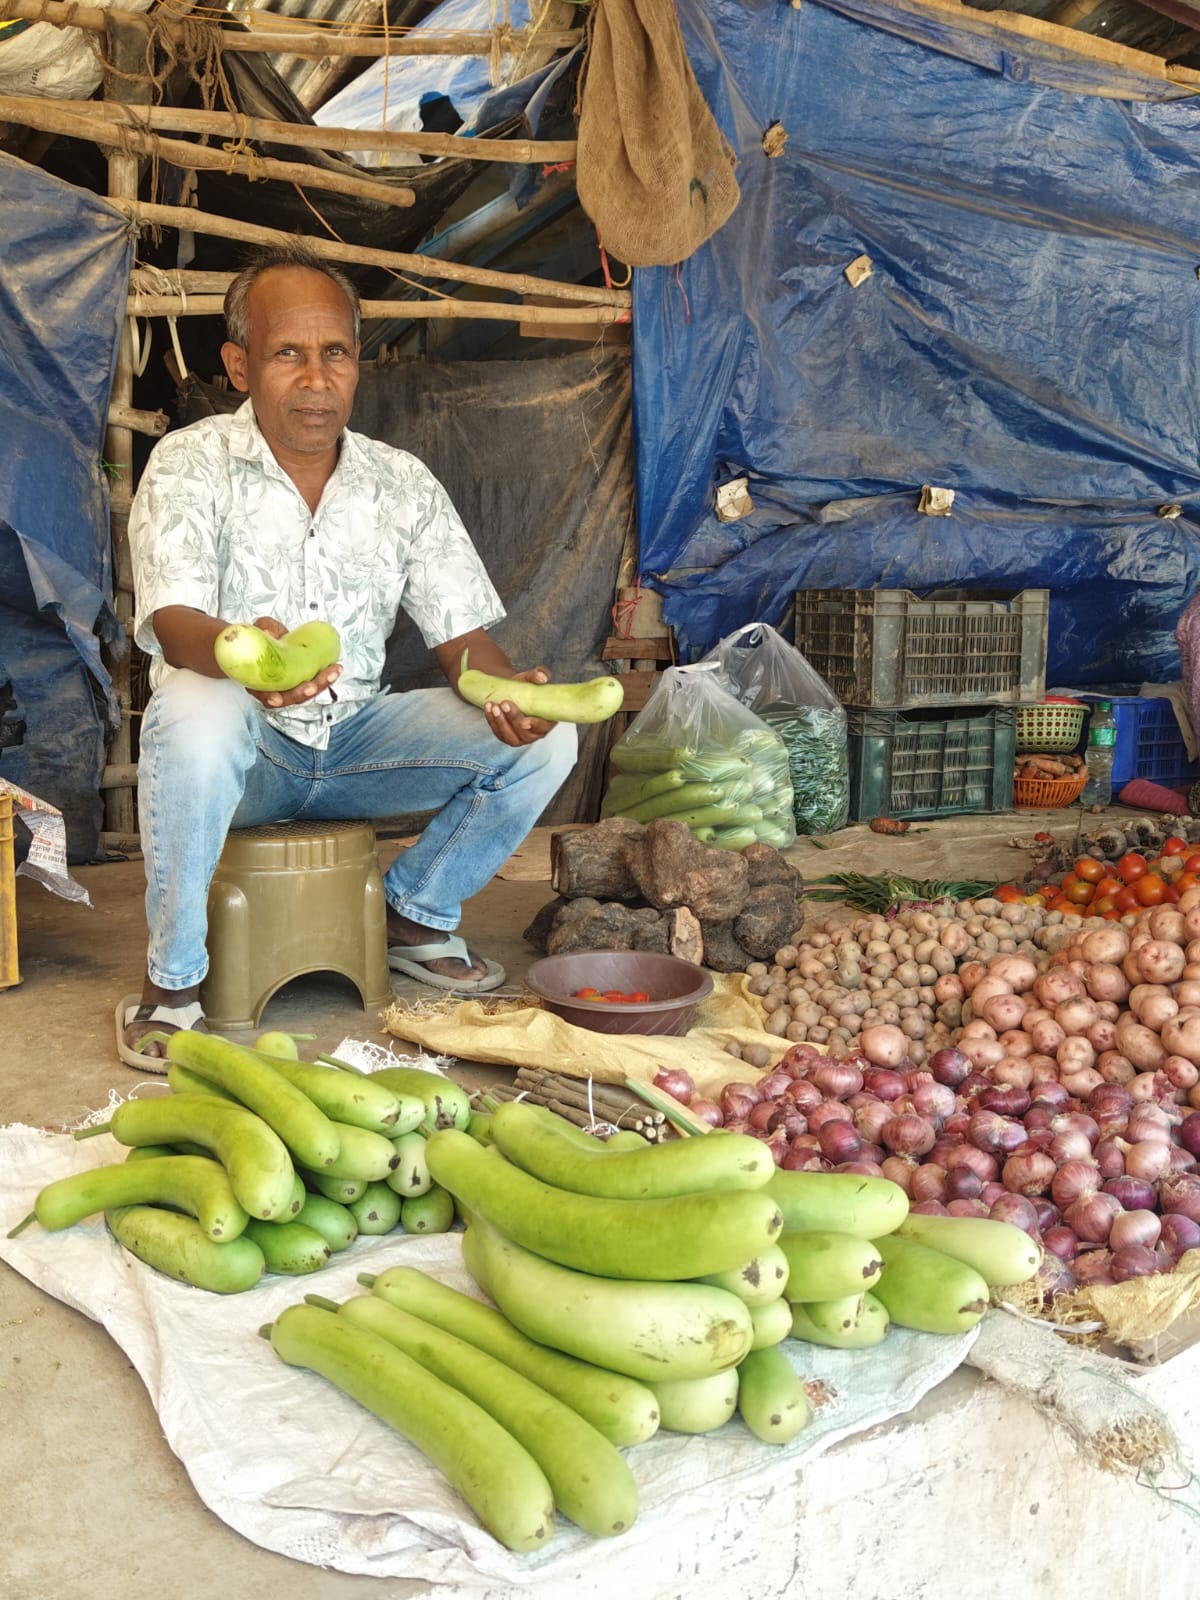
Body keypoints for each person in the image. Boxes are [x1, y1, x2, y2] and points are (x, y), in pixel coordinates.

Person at [119, 241, 577, 1063]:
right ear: (238, 364)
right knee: (193, 702)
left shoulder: (400, 482)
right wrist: (246, 658)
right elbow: (175, 617)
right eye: (286, 353)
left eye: (334, 353)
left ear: (357, 365)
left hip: (358, 741)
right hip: (244, 751)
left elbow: (461, 641)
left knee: (554, 739)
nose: (315, 377)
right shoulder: (189, 465)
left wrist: (512, 693)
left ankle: (414, 915)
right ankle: (174, 983)